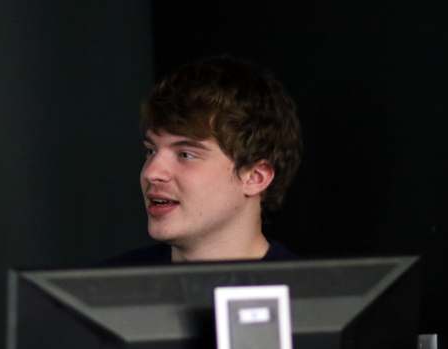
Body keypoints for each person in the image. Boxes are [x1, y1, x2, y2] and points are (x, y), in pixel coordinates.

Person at [105, 55, 303, 265]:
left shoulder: (307, 294)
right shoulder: (101, 292)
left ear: (255, 177)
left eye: (186, 155)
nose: (151, 172)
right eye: (151, 151)